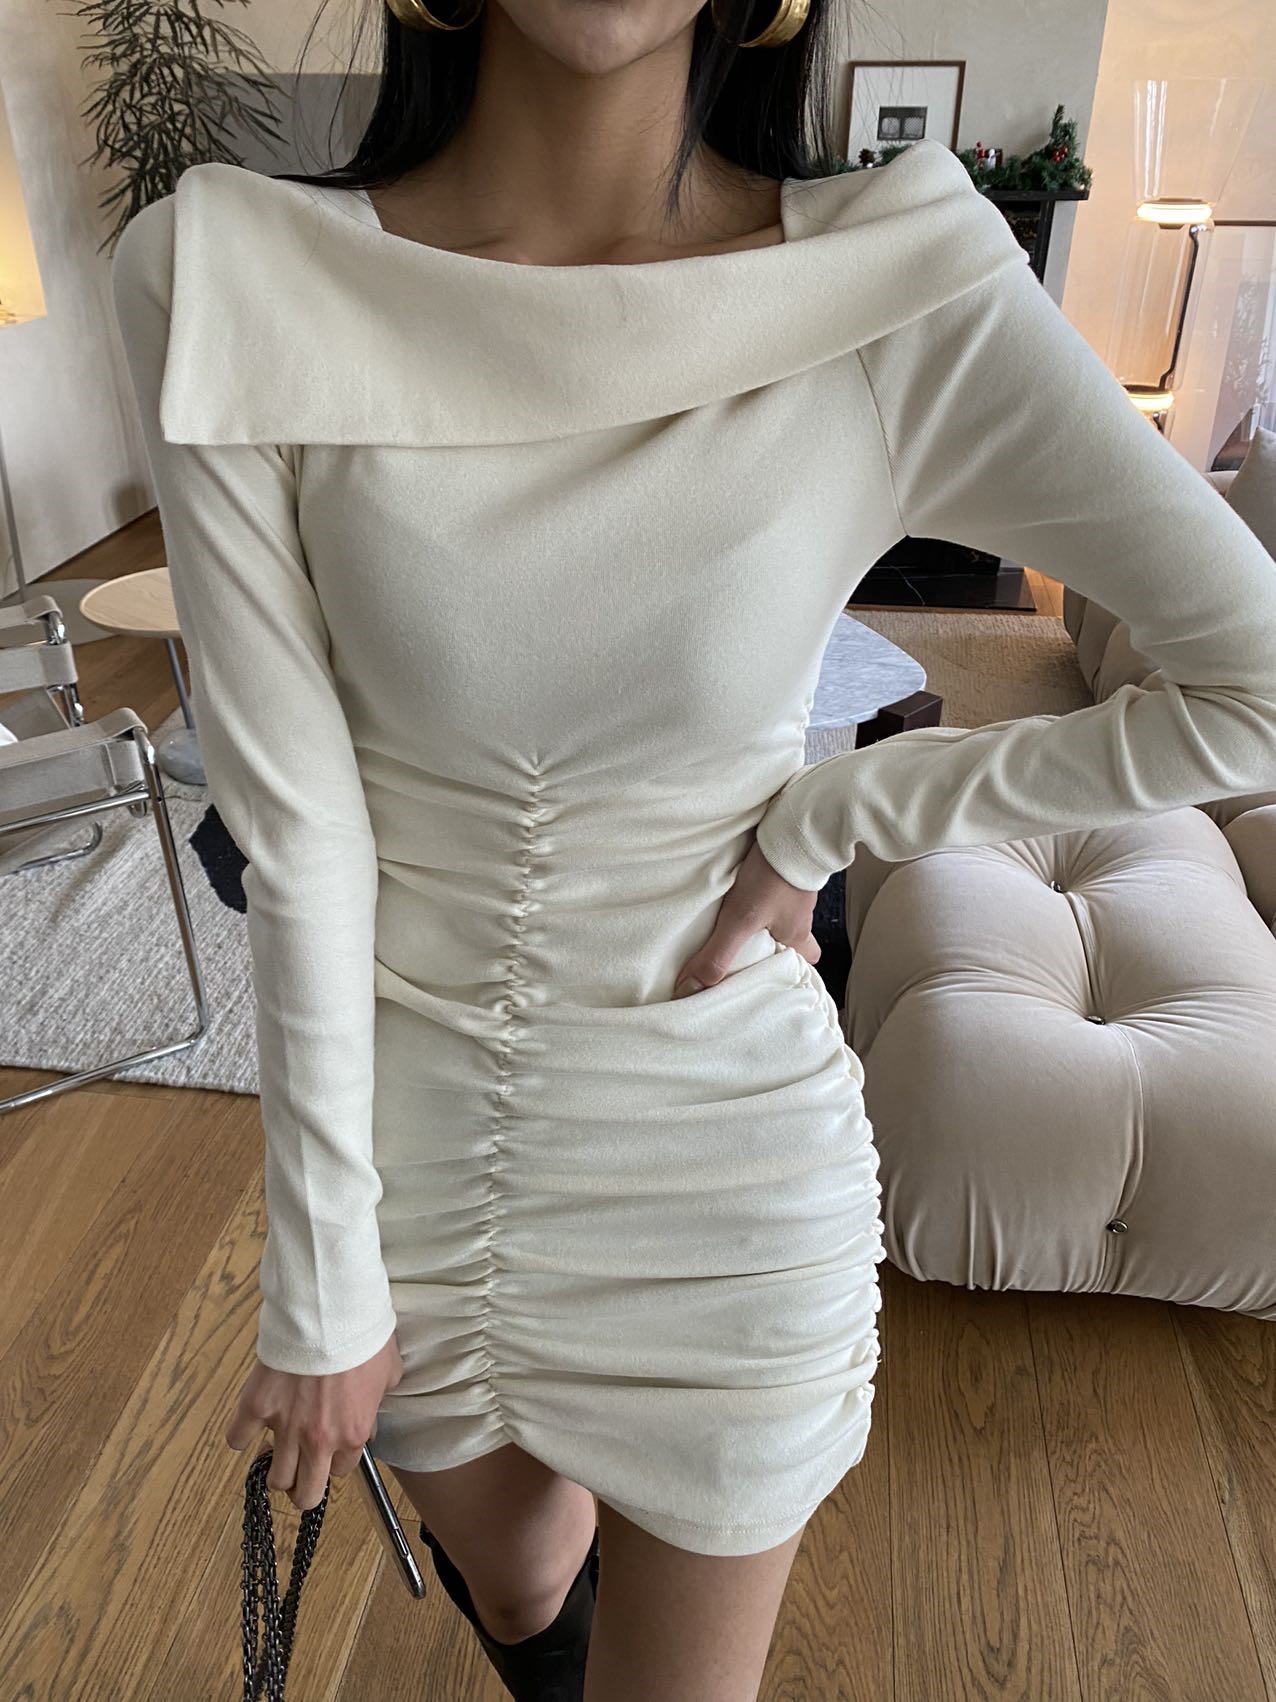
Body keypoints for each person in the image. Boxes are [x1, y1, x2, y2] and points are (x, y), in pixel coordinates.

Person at [108, 0, 1276, 1688]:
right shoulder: (228, 276)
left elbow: (1250, 678)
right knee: (518, 1582)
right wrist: (321, 1279)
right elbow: (298, 827)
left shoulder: (894, 285)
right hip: (397, 1147)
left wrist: (841, 814)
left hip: (719, 1164)